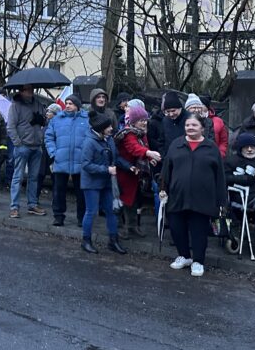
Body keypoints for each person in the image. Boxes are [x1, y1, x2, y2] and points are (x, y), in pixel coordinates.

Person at [160, 114, 227, 277]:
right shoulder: (176, 145)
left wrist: (221, 200)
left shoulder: (211, 148)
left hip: (202, 199)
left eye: (194, 125)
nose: (190, 128)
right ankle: (184, 256)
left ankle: (198, 261)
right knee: (176, 229)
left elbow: (220, 176)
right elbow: (166, 170)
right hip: (177, 196)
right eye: (187, 125)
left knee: (199, 231)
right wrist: (163, 189)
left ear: (202, 128)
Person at [80, 111, 127, 255]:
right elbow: (86, 165)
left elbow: (116, 157)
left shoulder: (109, 139)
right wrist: (106, 169)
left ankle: (113, 241)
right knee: (91, 212)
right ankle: (86, 241)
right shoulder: (89, 142)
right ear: (101, 128)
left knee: (112, 211)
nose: (112, 128)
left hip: (107, 182)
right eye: (108, 127)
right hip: (92, 183)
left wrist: (129, 166)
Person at [115, 105, 161, 238]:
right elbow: (134, 148)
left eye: (145, 120)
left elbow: (142, 148)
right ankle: (119, 228)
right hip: (125, 172)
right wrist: (148, 153)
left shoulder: (141, 133)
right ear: (134, 121)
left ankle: (132, 226)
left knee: (133, 201)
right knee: (122, 201)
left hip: (136, 173)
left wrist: (148, 158)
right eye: (141, 120)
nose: (144, 122)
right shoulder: (128, 133)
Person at [45, 94, 89, 227]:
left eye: (71, 103)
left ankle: (82, 218)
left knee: (81, 193)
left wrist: (86, 155)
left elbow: (90, 138)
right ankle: (58, 216)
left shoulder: (86, 119)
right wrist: (54, 153)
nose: (68, 105)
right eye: (67, 103)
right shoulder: (57, 119)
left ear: (77, 105)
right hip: (60, 160)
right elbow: (49, 137)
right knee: (59, 191)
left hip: (80, 161)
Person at [7, 85, 49, 218]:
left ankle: (32, 204)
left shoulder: (37, 103)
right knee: (17, 177)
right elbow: (11, 126)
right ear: (21, 91)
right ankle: (14, 206)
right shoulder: (15, 106)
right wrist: (18, 143)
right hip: (23, 146)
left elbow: (45, 120)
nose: (30, 92)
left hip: (36, 146)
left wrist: (42, 119)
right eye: (27, 90)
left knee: (33, 177)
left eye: (31, 89)